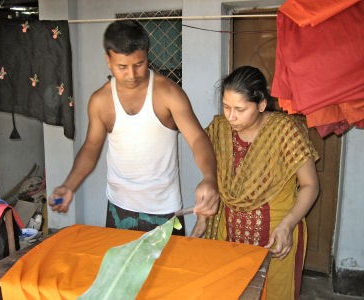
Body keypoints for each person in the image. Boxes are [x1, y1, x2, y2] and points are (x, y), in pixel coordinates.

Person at [48, 20, 219, 235]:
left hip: (164, 210)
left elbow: (197, 139)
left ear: (147, 55)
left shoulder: (168, 94)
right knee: (121, 268)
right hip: (119, 207)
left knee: (166, 269)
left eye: (139, 64)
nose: (131, 74)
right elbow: (91, 147)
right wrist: (69, 185)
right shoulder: (101, 101)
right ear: (108, 61)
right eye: (122, 67)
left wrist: (209, 178)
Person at [192, 66, 319, 299]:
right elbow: (212, 177)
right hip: (227, 236)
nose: (231, 116)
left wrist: (288, 226)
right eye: (226, 107)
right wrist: (203, 217)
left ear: (261, 104)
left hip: (276, 237)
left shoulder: (285, 131)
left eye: (240, 109)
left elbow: (311, 186)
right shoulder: (220, 129)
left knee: (273, 292)